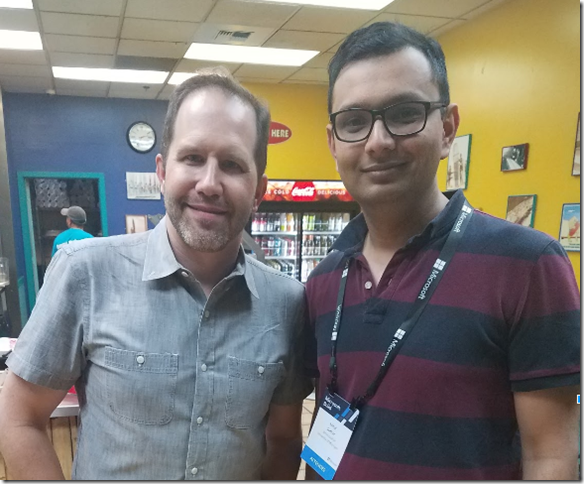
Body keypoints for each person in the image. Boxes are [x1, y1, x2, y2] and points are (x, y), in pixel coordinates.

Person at [0, 68, 313, 480]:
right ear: (162, 172)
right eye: (193, 158)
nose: (209, 183)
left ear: (258, 191)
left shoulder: (287, 303)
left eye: (233, 164)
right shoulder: (86, 273)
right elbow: (18, 416)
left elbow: (284, 440)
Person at [304, 22, 580, 480]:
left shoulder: (529, 266)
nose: (378, 141)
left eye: (404, 114)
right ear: (333, 142)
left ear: (448, 128)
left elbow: (551, 456)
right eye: (354, 122)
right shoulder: (323, 280)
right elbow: (326, 427)